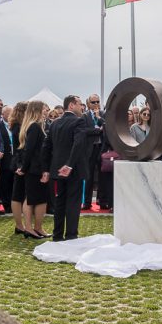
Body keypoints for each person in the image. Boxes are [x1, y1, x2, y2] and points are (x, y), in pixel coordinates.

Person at [42, 95, 93, 241]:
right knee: (73, 202)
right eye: (79, 104)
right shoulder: (79, 122)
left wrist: (46, 169)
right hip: (73, 169)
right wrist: (69, 164)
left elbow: (46, 147)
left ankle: (57, 234)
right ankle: (71, 235)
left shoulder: (55, 124)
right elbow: (78, 144)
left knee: (60, 202)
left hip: (57, 170)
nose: (82, 107)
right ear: (71, 105)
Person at [18, 101, 51, 238]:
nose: (47, 111)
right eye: (44, 109)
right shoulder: (34, 127)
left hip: (38, 168)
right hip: (34, 169)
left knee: (40, 199)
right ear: (37, 110)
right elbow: (30, 150)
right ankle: (29, 228)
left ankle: (37, 228)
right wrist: (24, 168)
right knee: (31, 199)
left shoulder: (37, 126)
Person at [7, 102, 28, 229]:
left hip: (19, 162)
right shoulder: (18, 127)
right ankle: (19, 225)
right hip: (19, 163)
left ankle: (20, 225)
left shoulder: (18, 125)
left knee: (19, 194)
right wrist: (20, 165)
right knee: (17, 195)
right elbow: (20, 149)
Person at [83, 94, 105, 210]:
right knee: (89, 176)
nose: (96, 104)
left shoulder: (103, 114)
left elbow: (107, 127)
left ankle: (102, 201)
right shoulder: (84, 116)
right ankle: (87, 202)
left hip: (101, 148)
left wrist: (99, 118)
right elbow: (84, 131)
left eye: (97, 102)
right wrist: (97, 131)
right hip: (90, 149)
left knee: (102, 176)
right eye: (93, 102)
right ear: (88, 104)